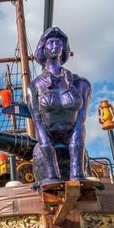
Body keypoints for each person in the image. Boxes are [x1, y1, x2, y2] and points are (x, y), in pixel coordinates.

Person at [27, 26, 91, 184]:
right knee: (39, 153)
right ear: (43, 48)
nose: (56, 46)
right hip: (47, 148)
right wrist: (52, 176)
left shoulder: (81, 84)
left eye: (59, 43)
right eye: (51, 43)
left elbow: (80, 123)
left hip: (74, 147)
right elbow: (39, 124)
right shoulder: (34, 87)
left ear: (65, 48)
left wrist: (77, 174)